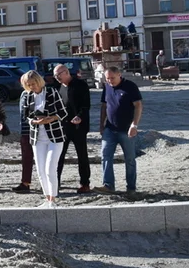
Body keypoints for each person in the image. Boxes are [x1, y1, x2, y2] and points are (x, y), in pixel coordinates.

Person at [18, 71, 68, 208]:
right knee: (40, 171)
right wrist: (34, 121)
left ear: (39, 81)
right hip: (37, 137)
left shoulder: (52, 92)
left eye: (33, 84)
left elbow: (63, 112)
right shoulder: (28, 96)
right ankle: (47, 199)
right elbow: (26, 116)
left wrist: (51, 118)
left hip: (55, 136)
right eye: (28, 85)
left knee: (50, 168)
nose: (31, 87)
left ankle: (53, 199)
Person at [94, 66, 143, 194]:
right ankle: (108, 185)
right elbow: (104, 106)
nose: (110, 81)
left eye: (112, 78)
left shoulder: (130, 86)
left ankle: (131, 188)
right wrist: (101, 125)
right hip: (110, 129)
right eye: (107, 78)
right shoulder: (107, 87)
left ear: (119, 75)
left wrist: (134, 125)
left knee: (130, 159)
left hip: (126, 129)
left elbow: (138, 106)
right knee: (105, 156)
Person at [52, 64, 91, 193]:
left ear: (66, 72)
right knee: (59, 155)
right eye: (55, 76)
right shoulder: (58, 87)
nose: (57, 78)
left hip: (79, 126)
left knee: (82, 155)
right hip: (63, 126)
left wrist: (80, 117)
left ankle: (85, 183)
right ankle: (55, 182)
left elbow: (86, 105)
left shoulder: (80, 85)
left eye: (58, 75)